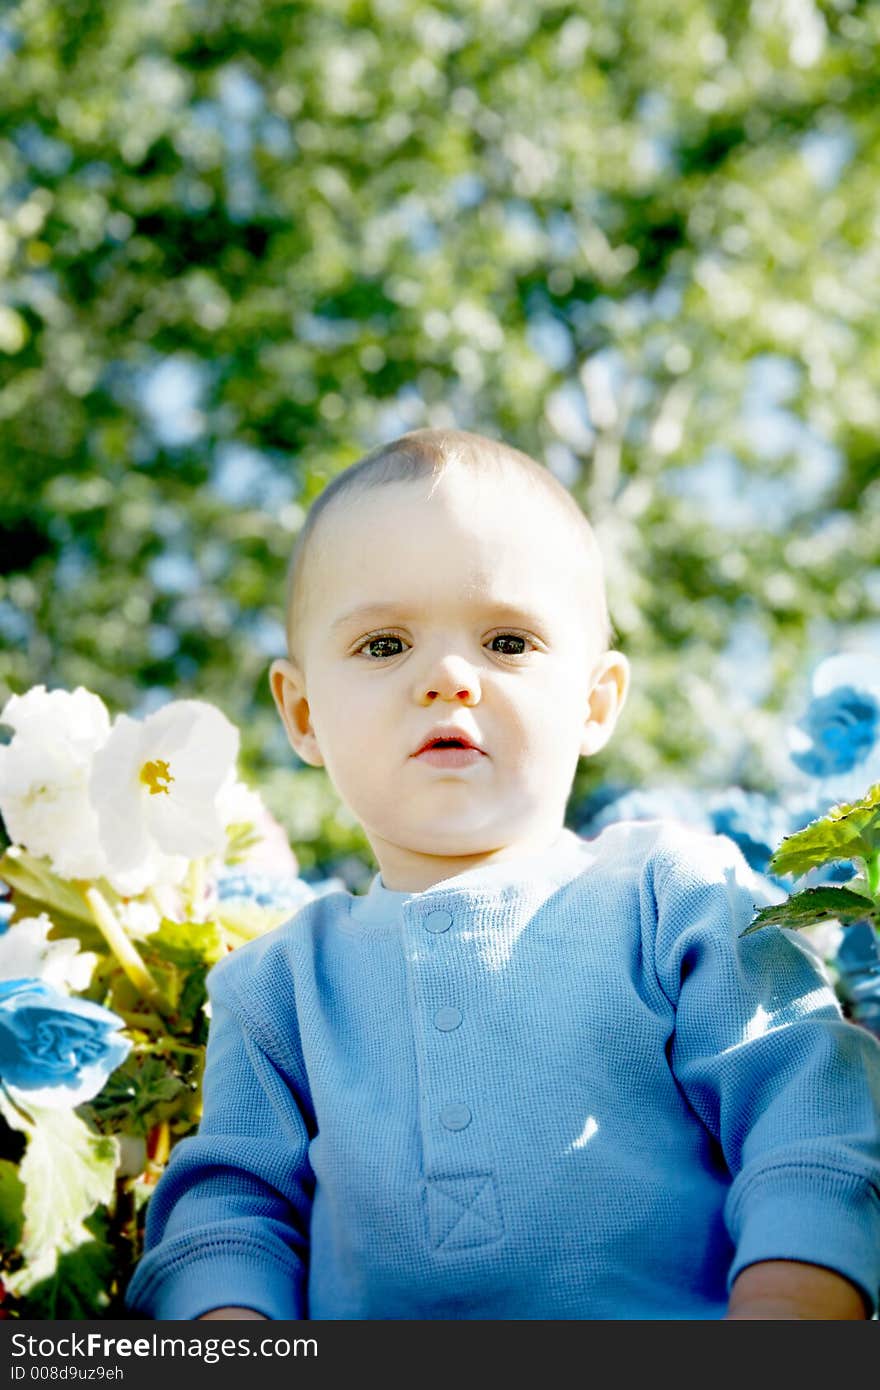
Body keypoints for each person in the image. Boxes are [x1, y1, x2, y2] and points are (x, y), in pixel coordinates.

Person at [125, 428, 880, 1321]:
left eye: (508, 641)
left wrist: (792, 1303)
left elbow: (806, 1106)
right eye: (382, 645)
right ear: (303, 714)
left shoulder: (672, 896)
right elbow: (231, 1215)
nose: (448, 677)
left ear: (595, 701)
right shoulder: (280, 987)